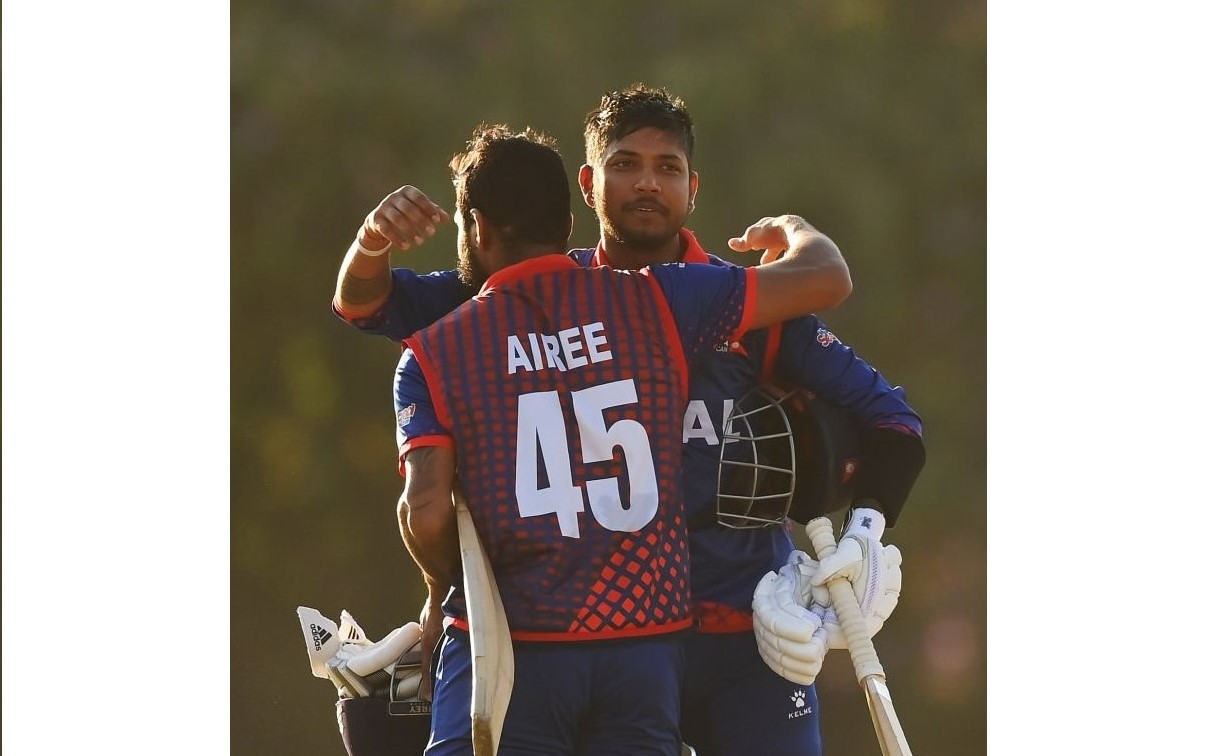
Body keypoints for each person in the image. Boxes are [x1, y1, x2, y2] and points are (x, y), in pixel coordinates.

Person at [333, 85, 923, 756]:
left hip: (747, 633)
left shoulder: (738, 303)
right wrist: (372, 238)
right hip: (611, 637)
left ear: (693, 188)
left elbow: (892, 422)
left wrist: (866, 532)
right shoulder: (524, 293)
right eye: (625, 164)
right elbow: (369, 306)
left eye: (667, 168)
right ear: (588, 185)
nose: (647, 183)